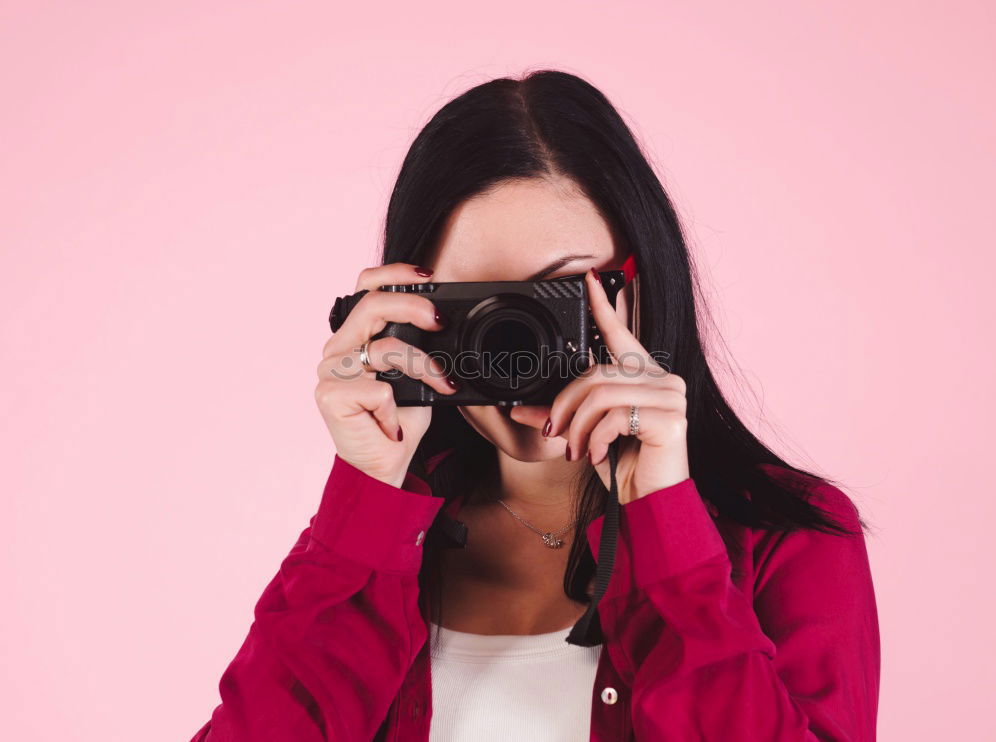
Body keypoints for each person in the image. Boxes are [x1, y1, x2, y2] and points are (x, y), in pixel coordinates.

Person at [190, 70, 880, 741]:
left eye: (564, 298)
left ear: (642, 290)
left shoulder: (794, 538)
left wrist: (666, 527)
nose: (521, 351)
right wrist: (365, 499)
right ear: (407, 308)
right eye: (483, 309)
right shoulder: (370, 548)